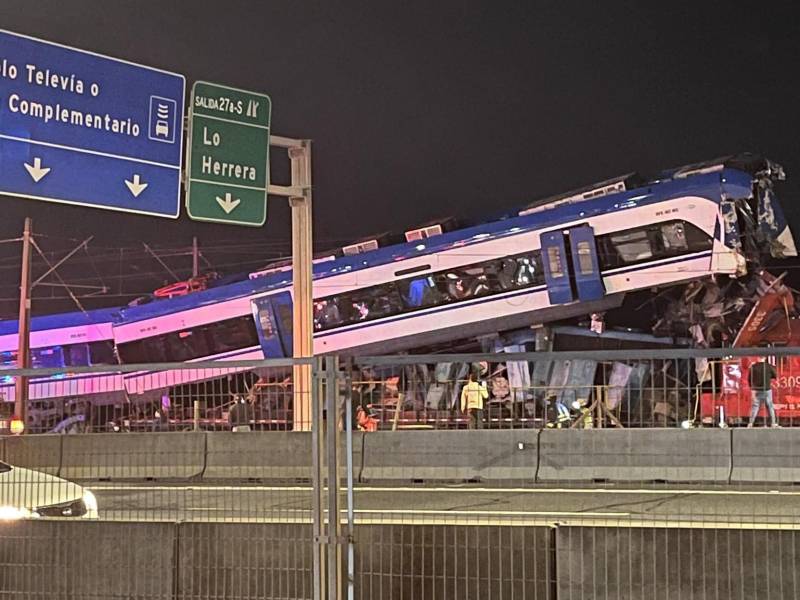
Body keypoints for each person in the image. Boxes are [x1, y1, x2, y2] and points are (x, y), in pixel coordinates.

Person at [748, 355, 778, 428]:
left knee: (755, 406)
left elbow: (749, 379)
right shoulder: (768, 366)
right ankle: (773, 423)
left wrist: (752, 388)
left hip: (756, 390)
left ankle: (750, 423)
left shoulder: (753, 367)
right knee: (770, 406)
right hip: (767, 389)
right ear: (765, 358)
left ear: (758, 358)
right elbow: (775, 375)